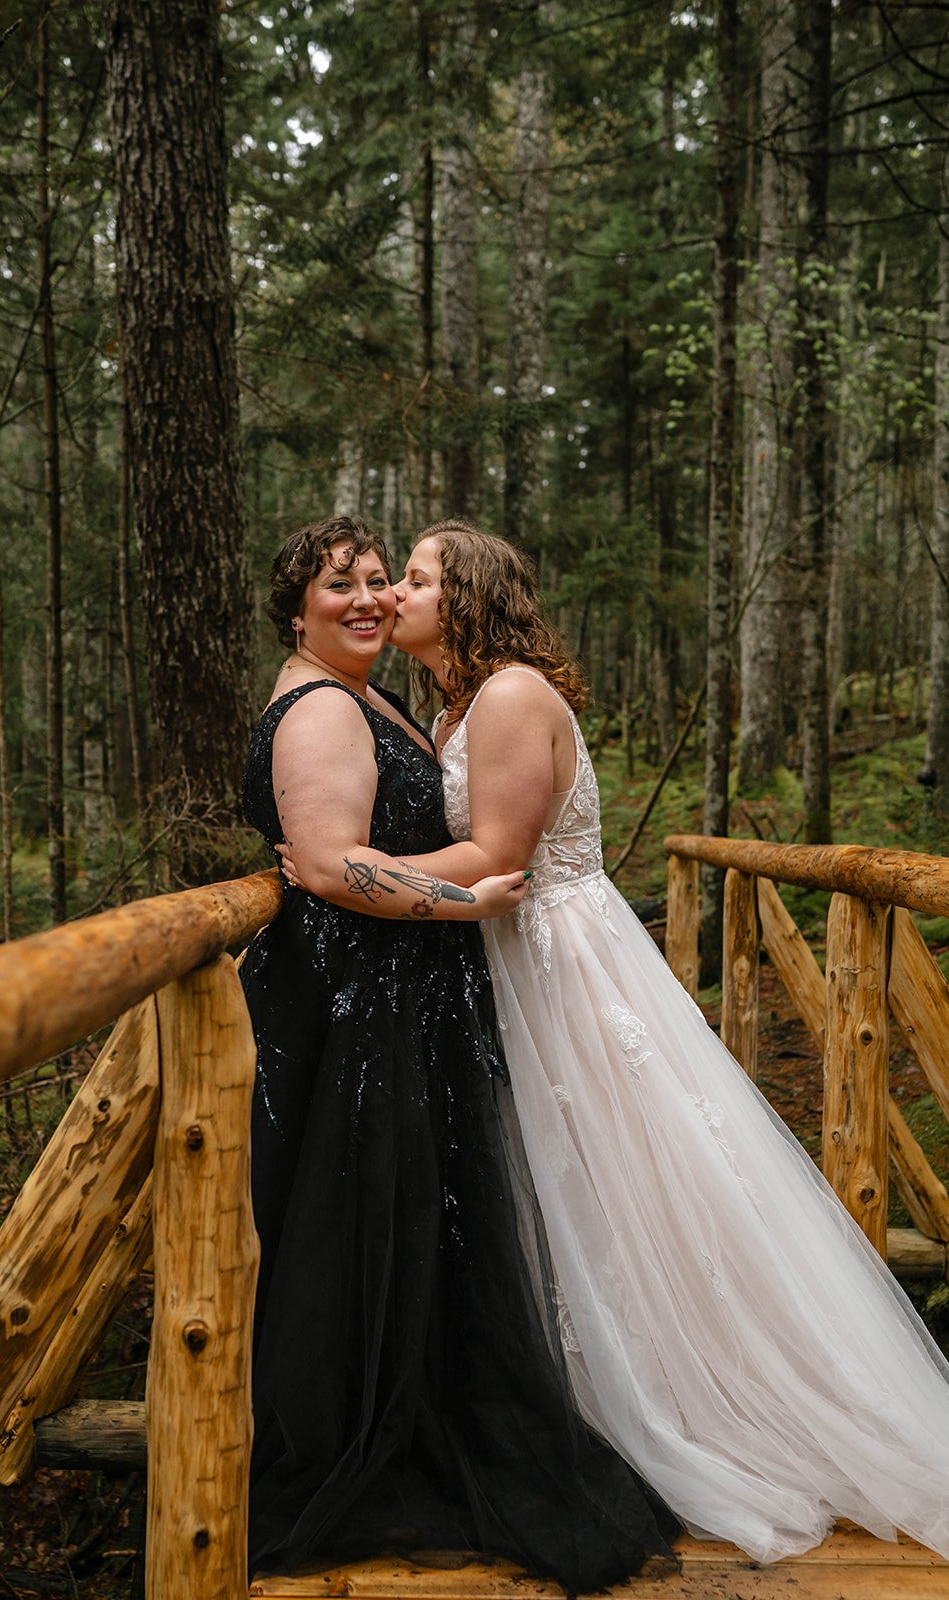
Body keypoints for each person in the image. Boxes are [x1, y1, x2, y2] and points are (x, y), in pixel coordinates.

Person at [288, 516, 949, 1565]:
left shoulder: (505, 695)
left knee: (624, 1173)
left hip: (557, 959)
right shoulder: (456, 699)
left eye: (413, 579)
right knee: (572, 1184)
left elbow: (499, 851)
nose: (394, 596)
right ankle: (591, 1388)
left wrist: (343, 864)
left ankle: (697, 1397)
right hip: (509, 953)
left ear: (463, 599)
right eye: (391, 580)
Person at [238, 515, 677, 1591]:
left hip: (478, 980)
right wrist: (451, 898)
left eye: (392, 578)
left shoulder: (437, 698)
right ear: (295, 607)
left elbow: (392, 859)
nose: (374, 598)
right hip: (373, 1003)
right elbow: (339, 864)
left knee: (557, 1193)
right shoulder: (329, 706)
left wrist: (427, 893)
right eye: (344, 584)